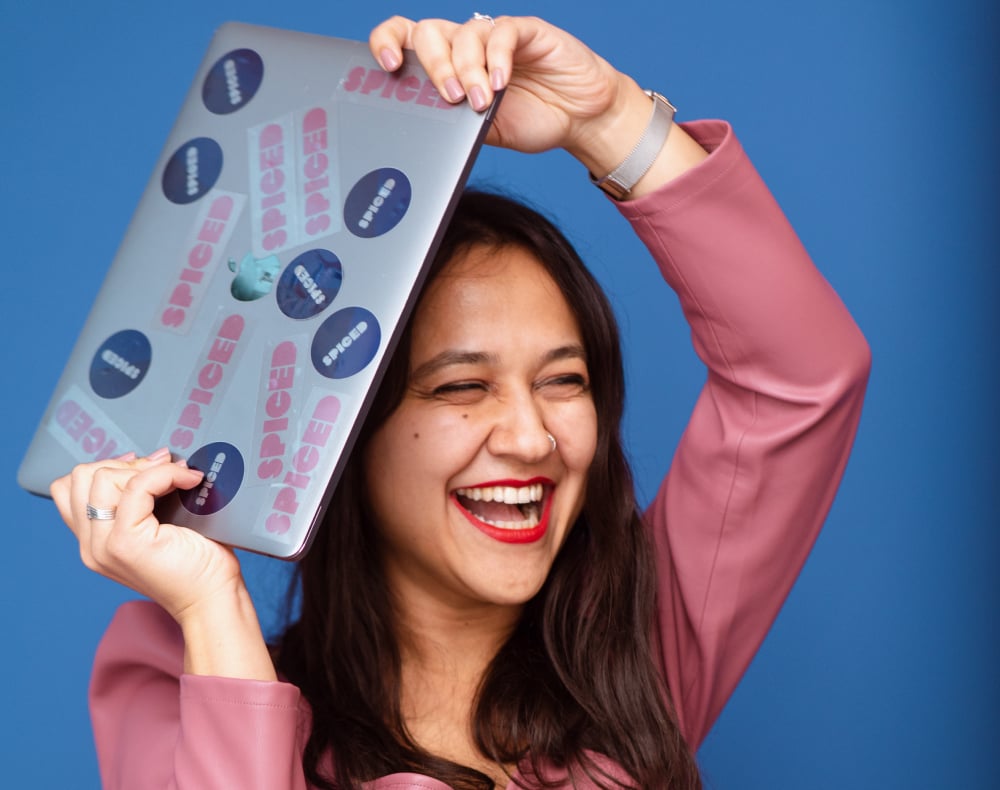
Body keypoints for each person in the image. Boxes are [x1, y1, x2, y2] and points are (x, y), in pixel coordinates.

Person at [50, 13, 871, 790]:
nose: (530, 436)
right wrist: (212, 608)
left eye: (564, 380)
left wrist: (609, 116)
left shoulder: (638, 662)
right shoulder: (179, 685)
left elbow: (799, 376)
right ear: (345, 435)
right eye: (462, 386)